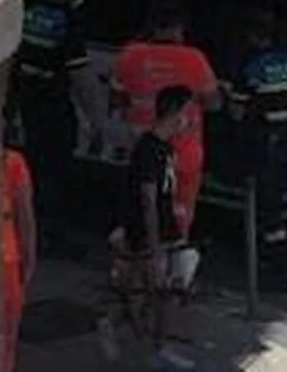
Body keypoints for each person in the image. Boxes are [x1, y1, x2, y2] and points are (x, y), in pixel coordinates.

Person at [112, 0, 221, 243]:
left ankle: (140, 259)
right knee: (179, 214)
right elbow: (214, 103)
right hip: (183, 151)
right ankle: (173, 262)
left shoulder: (130, 55)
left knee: (138, 210)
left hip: (139, 149)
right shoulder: (195, 59)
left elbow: (117, 99)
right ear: (178, 29)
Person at [12, 0, 103, 256]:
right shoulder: (68, 21)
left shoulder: (27, 12)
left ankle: (30, 225)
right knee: (56, 172)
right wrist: (97, 120)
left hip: (27, 102)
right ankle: (50, 235)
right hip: (53, 106)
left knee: (33, 167)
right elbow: (80, 76)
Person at [114, 85, 196, 371]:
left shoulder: (164, 147)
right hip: (150, 232)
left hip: (162, 228)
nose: (190, 119)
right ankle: (150, 347)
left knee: (159, 290)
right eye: (187, 112)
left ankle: (149, 342)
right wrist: (155, 244)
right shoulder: (150, 150)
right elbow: (148, 198)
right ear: (174, 113)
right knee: (157, 290)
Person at [226, 8, 287, 292]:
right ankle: (272, 255)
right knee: (275, 203)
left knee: (265, 208)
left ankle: (274, 265)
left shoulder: (251, 65)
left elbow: (237, 109)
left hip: (260, 143)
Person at [0, 145, 36, 372]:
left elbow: (24, 216)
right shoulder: (11, 163)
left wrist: (29, 256)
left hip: (7, 261)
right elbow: (25, 216)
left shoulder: (12, 163)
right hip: (6, 260)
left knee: (6, 337)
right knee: (5, 338)